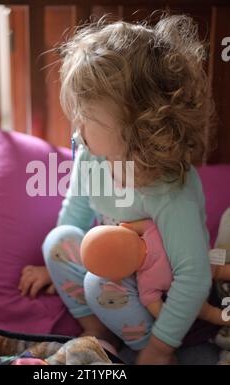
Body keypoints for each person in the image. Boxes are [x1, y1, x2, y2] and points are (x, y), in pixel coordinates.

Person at [19, 14, 215, 364]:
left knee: (98, 285)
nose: (76, 128)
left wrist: (159, 346)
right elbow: (76, 213)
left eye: (86, 116)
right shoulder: (92, 156)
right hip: (110, 270)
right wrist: (55, 269)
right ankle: (97, 331)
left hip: (158, 296)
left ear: (136, 123)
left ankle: (143, 347)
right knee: (58, 241)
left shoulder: (170, 190)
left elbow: (194, 278)